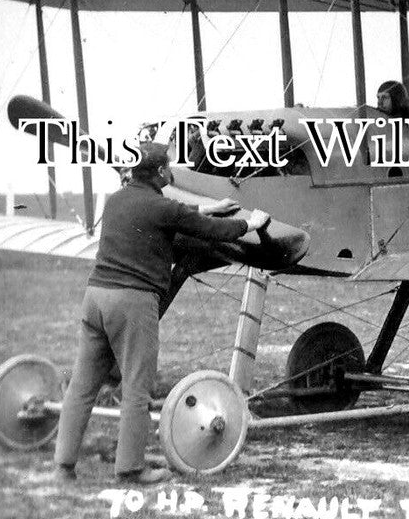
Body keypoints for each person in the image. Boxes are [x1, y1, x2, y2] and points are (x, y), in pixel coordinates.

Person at [53, 142, 270, 484]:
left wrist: (209, 206)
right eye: (167, 166)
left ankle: (63, 466)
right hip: (133, 303)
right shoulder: (161, 207)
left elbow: (171, 211)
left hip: (95, 297)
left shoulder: (117, 200)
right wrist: (251, 224)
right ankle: (130, 468)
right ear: (158, 173)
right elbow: (206, 230)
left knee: (82, 386)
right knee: (137, 388)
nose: (171, 171)